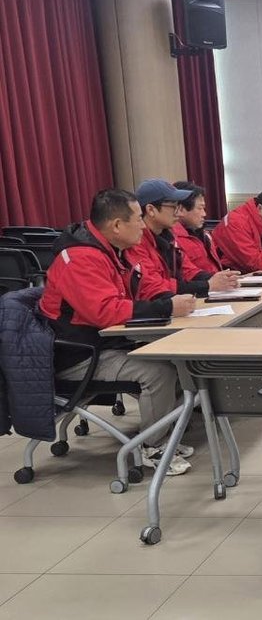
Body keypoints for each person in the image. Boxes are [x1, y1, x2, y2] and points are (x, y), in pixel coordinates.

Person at [39, 189, 197, 475]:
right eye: (137, 219)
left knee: (176, 359)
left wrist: (169, 300)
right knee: (159, 371)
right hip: (79, 356)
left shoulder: (111, 251)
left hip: (104, 343)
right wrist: (166, 308)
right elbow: (106, 311)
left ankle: (165, 435)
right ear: (116, 225)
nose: (142, 226)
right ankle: (153, 446)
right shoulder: (80, 258)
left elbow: (137, 292)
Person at [125, 179, 239, 300]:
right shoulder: (136, 243)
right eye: (174, 207)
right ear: (151, 210)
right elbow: (154, 286)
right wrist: (208, 285)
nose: (178, 214)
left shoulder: (169, 237)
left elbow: (188, 271)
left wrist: (220, 278)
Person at [171, 181, 223, 274]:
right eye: (200, 208)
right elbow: (187, 275)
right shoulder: (172, 239)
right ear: (181, 209)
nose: (204, 214)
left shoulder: (205, 235)